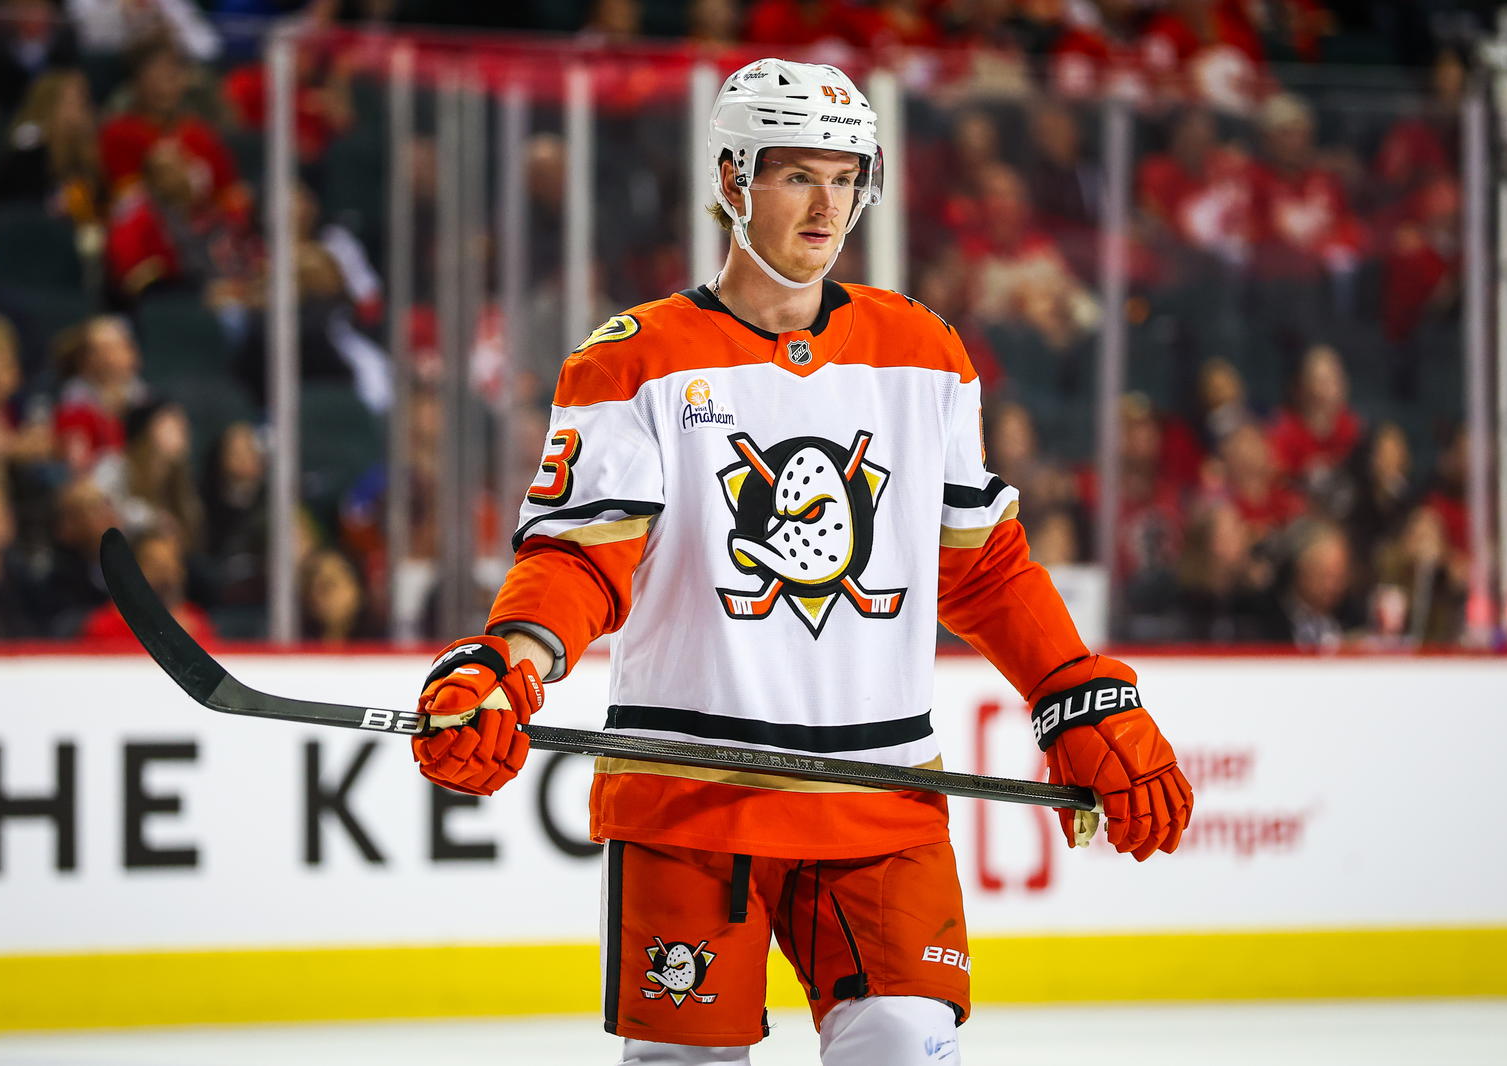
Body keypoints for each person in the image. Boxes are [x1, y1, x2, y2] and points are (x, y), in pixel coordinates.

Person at [408, 59, 1193, 1066]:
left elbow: (982, 567)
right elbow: (581, 558)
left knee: (906, 1047)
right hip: (693, 794)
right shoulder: (633, 358)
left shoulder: (923, 353)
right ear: (732, 182)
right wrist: (511, 657)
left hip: (877, 795)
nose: (829, 206)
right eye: (795, 177)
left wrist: (1075, 689)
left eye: (846, 176)